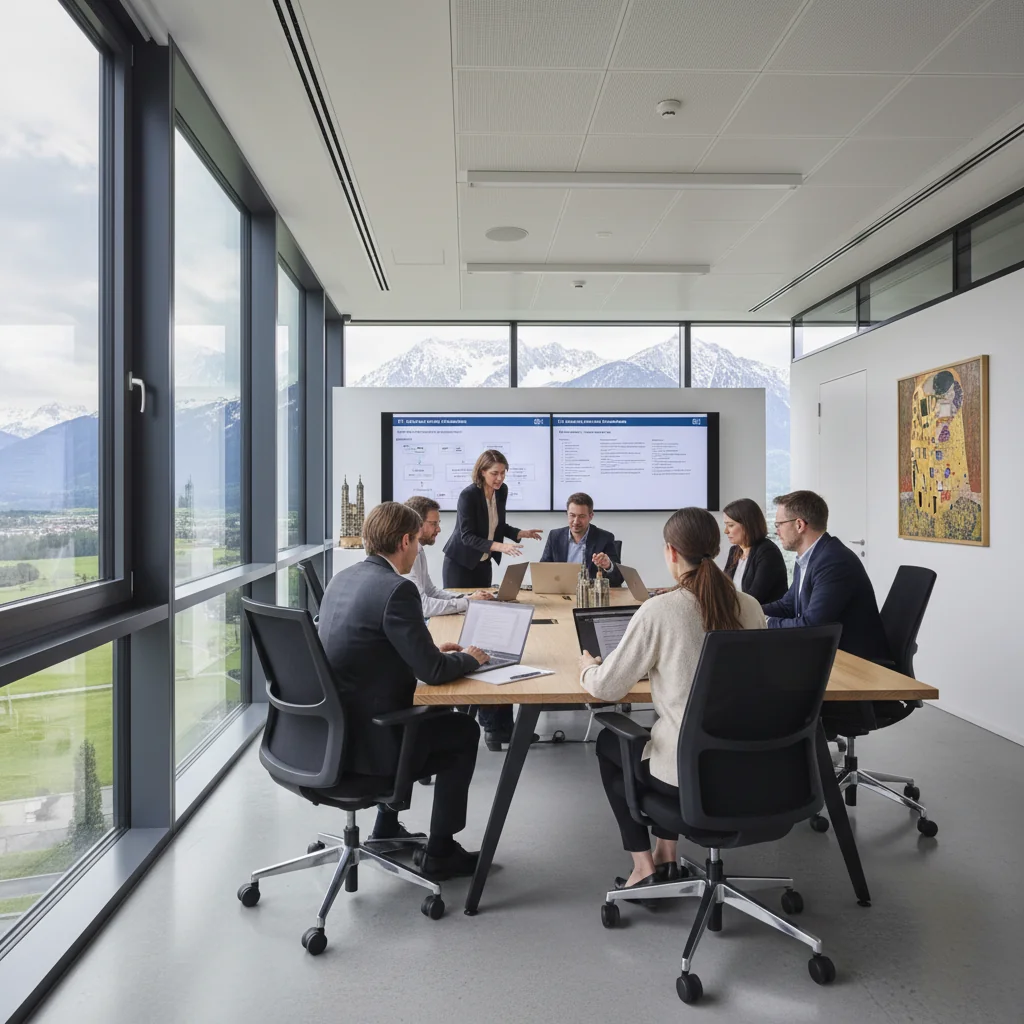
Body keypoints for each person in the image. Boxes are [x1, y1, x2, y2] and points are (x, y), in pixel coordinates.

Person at [579, 507, 765, 894]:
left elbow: (606, 688)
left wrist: (587, 668)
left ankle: (643, 866)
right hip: (752, 769)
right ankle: (666, 855)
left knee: (612, 742)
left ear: (671, 552)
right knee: (667, 735)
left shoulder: (660, 610)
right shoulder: (750, 606)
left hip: (687, 778)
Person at [318, 501, 490, 879]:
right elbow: (433, 672)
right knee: (462, 730)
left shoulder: (342, 579)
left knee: (429, 716)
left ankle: (386, 827)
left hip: (325, 736)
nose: (418, 550)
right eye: (416, 541)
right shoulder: (398, 589)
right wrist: (470, 658)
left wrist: (432, 651)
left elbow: (374, 647)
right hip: (368, 743)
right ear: (405, 541)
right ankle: (441, 853)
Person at [442, 449, 543, 748]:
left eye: (503, 473)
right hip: (460, 566)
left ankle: (498, 726)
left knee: (487, 637)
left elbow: (498, 527)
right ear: (481, 472)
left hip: (483, 564)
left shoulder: (502, 491)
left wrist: (519, 533)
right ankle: (470, 713)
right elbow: (466, 536)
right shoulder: (468, 495)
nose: (499, 478)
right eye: (494, 473)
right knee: (464, 632)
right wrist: (501, 547)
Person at [762, 490, 889, 661]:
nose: (777, 531)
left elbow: (812, 626)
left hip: (855, 662)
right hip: (826, 654)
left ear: (799, 525)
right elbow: (788, 605)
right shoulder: (807, 558)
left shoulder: (834, 561)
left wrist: (764, 622)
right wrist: (747, 612)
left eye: (779, 524)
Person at [403, 495, 493, 617]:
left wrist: (467, 597)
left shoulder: (418, 550)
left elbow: (431, 592)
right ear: (416, 524)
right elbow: (424, 606)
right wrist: (467, 602)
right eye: (434, 524)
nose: (438, 529)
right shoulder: (404, 555)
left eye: (438, 523)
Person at [539, 491, 623, 587]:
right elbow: (542, 571)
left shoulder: (604, 538)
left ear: (591, 516)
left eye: (581, 516)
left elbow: (618, 579)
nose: (576, 521)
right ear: (567, 514)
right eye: (572, 515)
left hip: (590, 593)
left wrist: (608, 566)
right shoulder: (555, 536)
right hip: (561, 591)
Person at [721, 497, 788, 603]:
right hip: (740, 611)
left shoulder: (768, 552)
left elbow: (754, 598)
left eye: (730, 525)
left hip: (762, 613)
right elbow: (724, 589)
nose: (726, 531)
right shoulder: (734, 551)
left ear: (748, 525)